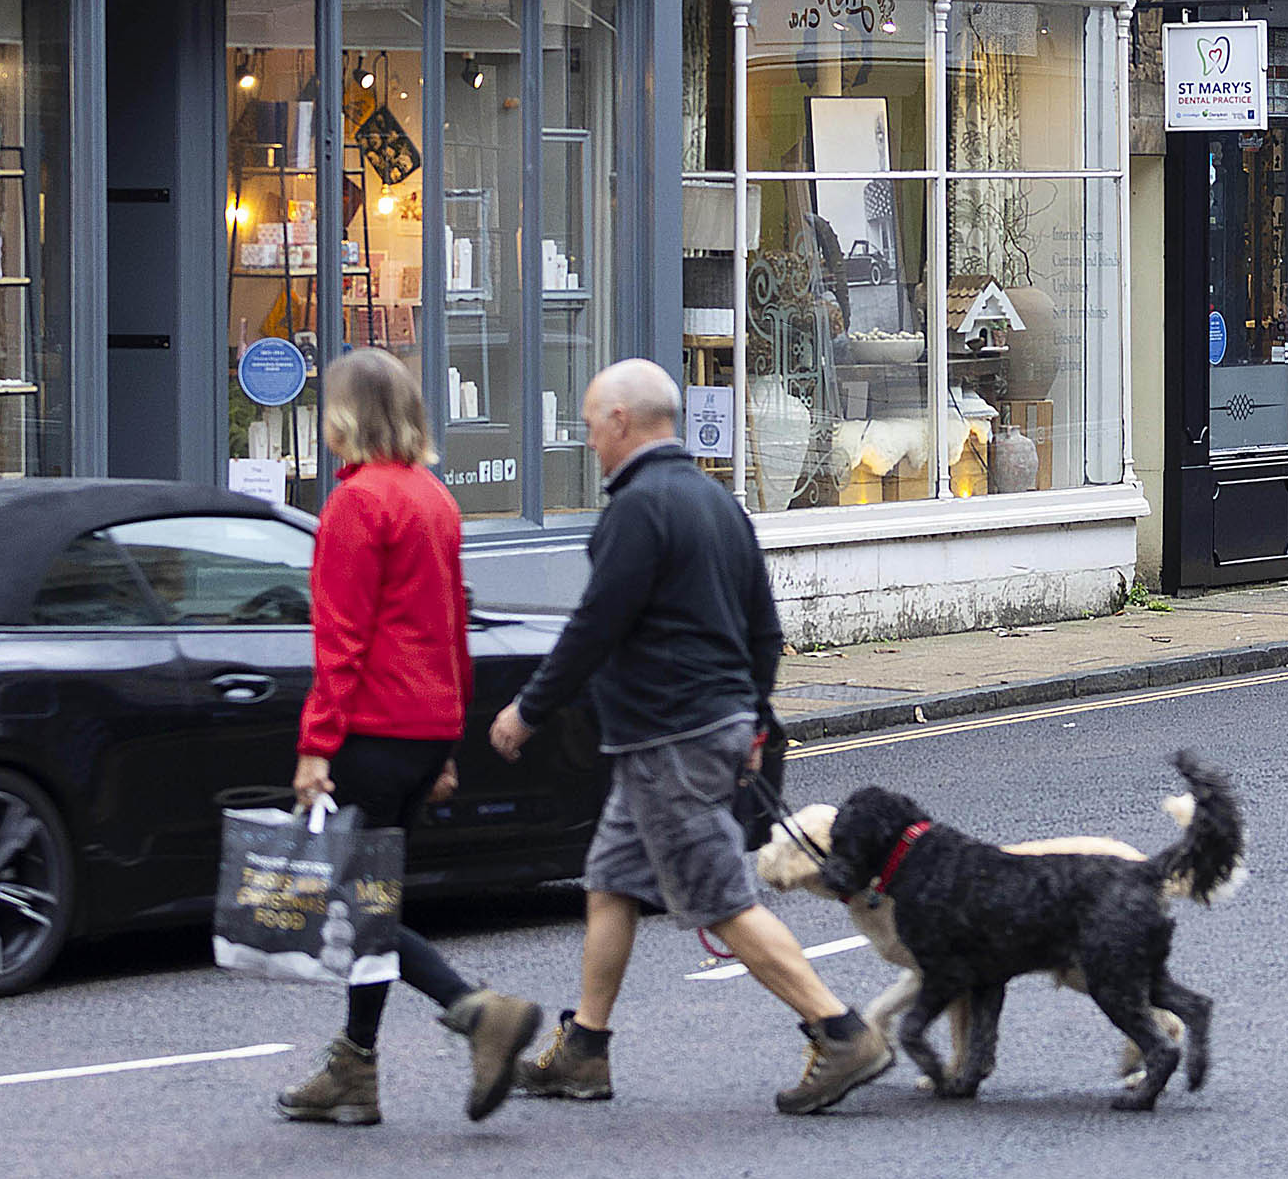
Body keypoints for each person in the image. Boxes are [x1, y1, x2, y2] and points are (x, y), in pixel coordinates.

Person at [490, 358, 893, 1115]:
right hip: (699, 728)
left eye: (588, 425)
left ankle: (840, 1030)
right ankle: (585, 1048)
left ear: (620, 422)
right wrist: (751, 715)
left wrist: (528, 709)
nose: (588, 439)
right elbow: (764, 631)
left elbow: (595, 626)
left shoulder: (637, 509)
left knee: (719, 898)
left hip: (666, 737)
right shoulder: (717, 502)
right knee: (610, 878)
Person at [272, 348, 546, 1130]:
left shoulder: (357, 504)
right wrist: (447, 746)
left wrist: (316, 746)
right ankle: (354, 1068)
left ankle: (472, 1007)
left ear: (347, 415)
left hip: (371, 729)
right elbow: (451, 629)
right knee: (373, 896)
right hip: (423, 727)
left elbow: (342, 638)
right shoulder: (434, 498)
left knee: (361, 903)